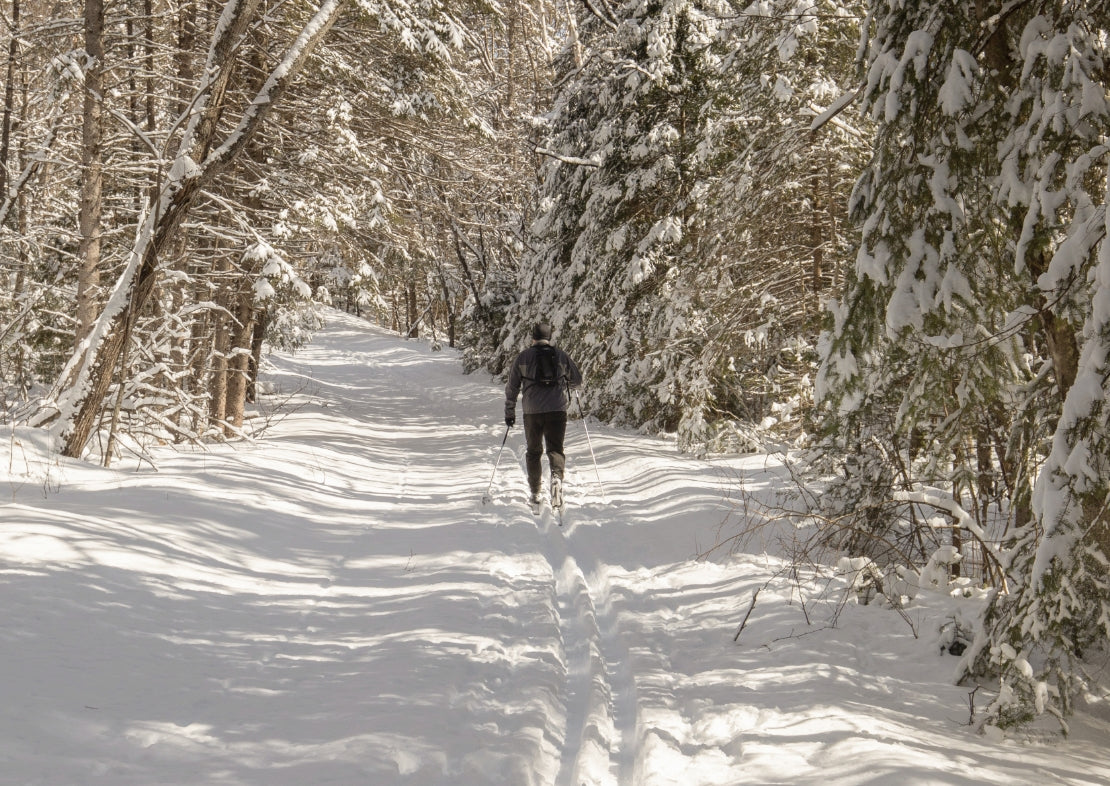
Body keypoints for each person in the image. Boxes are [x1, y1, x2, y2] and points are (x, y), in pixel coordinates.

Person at [504, 322, 583, 509]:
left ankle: (535, 492)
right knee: (555, 449)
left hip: (532, 412)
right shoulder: (561, 355)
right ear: (549, 337)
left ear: (533, 337)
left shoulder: (523, 357)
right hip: (557, 409)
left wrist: (509, 412)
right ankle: (556, 478)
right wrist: (568, 384)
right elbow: (577, 380)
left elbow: (512, 387)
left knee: (534, 451)